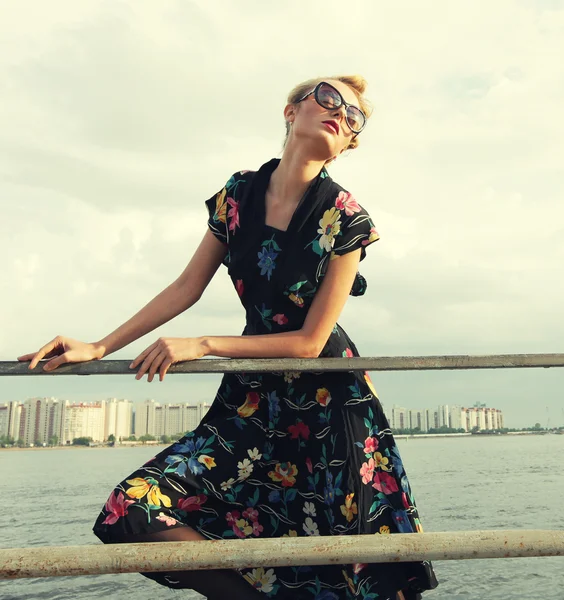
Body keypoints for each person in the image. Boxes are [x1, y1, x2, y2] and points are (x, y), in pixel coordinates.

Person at [18, 75, 438, 600]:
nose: (342, 115)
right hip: (252, 399)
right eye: (329, 99)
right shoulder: (236, 196)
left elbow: (310, 342)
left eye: (354, 119)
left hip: (329, 400)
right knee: (135, 508)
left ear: (349, 144)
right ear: (291, 111)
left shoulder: (346, 217)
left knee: (359, 563)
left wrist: (203, 344)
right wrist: (102, 346)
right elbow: (186, 286)